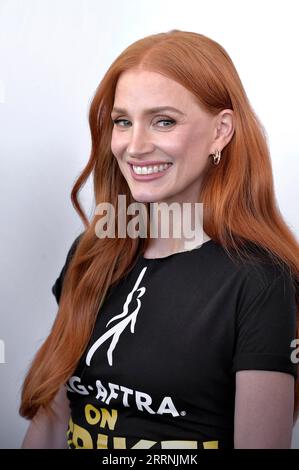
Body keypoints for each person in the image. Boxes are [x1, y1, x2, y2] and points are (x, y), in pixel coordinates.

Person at [19, 29, 299, 449]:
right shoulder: (92, 253)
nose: (135, 146)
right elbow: (51, 424)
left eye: (163, 121)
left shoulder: (262, 282)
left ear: (221, 131)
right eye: (122, 121)